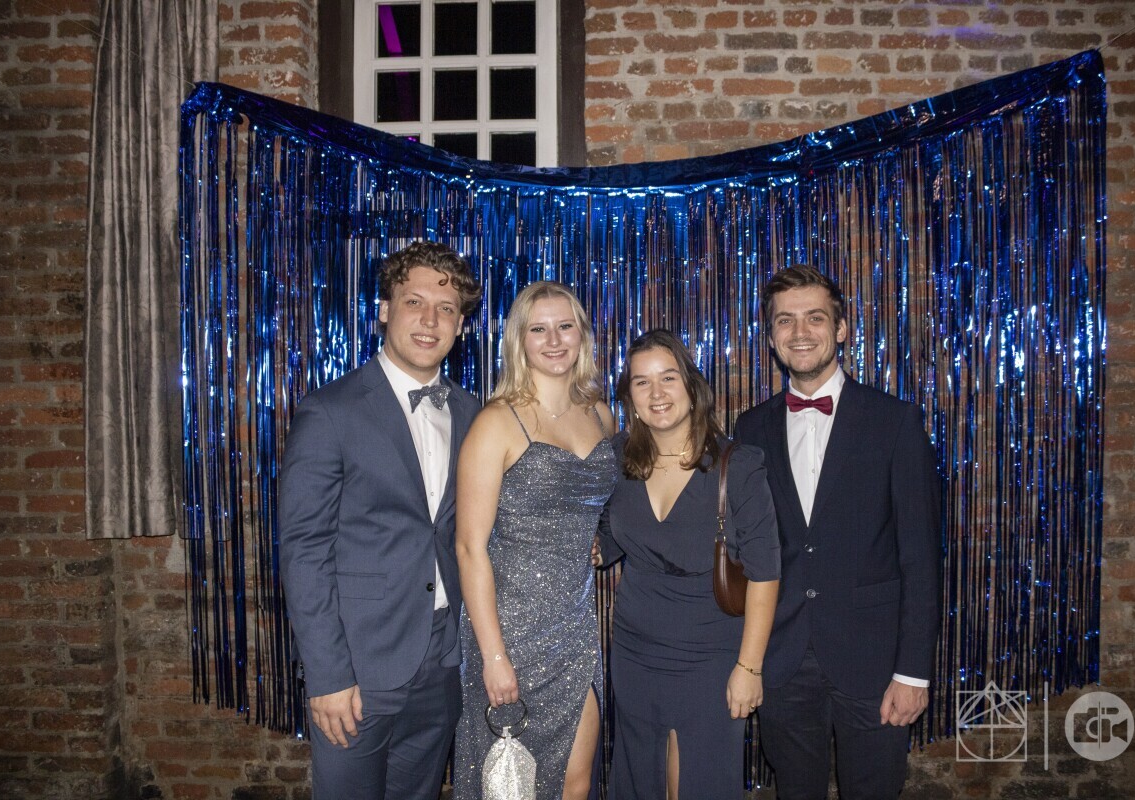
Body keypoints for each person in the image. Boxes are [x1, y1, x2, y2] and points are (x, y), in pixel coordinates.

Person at [278, 241, 482, 800]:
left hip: (444, 662)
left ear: (461, 325)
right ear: (384, 310)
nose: (430, 320)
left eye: (446, 309)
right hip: (358, 667)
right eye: (414, 302)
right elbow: (303, 551)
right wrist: (328, 675)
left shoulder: (471, 413)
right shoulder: (330, 410)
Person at [733, 265, 942, 799]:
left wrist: (913, 673)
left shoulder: (895, 421)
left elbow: (921, 557)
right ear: (771, 336)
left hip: (874, 660)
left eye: (815, 318)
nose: (800, 332)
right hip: (782, 659)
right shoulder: (750, 428)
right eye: (785, 320)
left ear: (842, 328)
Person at [597, 329, 781, 800]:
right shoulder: (618, 458)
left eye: (668, 377)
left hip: (710, 654)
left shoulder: (737, 465)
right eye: (641, 382)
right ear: (630, 396)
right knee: (641, 776)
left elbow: (765, 573)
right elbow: (610, 534)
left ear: (691, 386)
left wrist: (750, 667)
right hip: (635, 650)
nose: (656, 393)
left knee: (696, 782)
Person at [452, 281, 617, 800]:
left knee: (575, 782)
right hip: (508, 631)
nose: (554, 340)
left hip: (575, 630)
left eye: (565, 326)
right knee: (509, 787)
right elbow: (469, 548)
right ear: (519, 340)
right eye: (538, 329)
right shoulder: (496, 422)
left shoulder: (601, 414)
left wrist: (598, 539)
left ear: (582, 335)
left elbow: (603, 506)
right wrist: (494, 656)